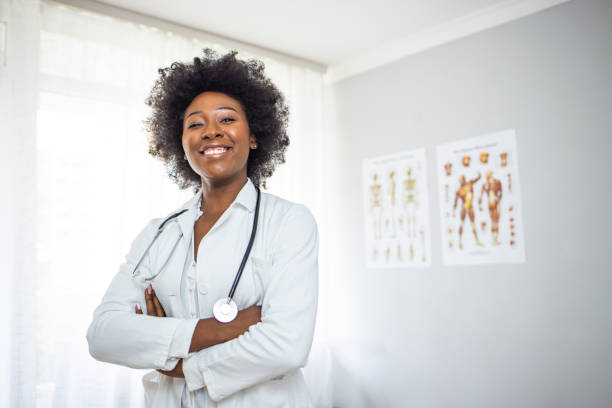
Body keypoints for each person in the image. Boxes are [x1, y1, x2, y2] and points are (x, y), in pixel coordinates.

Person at [86, 49, 319, 408]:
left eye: (227, 120)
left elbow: (286, 346)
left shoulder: (289, 221)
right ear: (181, 144)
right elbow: (102, 335)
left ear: (254, 136)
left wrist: (180, 365)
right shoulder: (158, 232)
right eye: (195, 124)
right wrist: (221, 328)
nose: (211, 131)